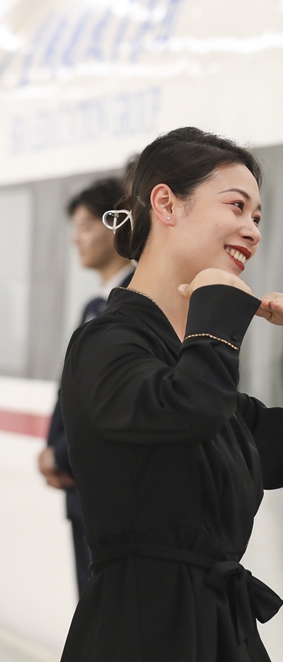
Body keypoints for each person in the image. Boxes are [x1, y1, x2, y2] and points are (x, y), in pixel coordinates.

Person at [57, 127, 283, 662]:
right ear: (166, 204)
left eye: (258, 217)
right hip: (143, 633)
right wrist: (215, 310)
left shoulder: (192, 368)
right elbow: (188, 410)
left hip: (220, 629)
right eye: (237, 206)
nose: (253, 230)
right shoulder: (106, 342)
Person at [38, 177, 135, 595]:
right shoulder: (94, 305)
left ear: (116, 225)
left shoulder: (136, 301)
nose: (75, 239)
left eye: (84, 225)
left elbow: (108, 399)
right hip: (82, 487)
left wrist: (60, 453)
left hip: (114, 491)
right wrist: (52, 449)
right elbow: (71, 390)